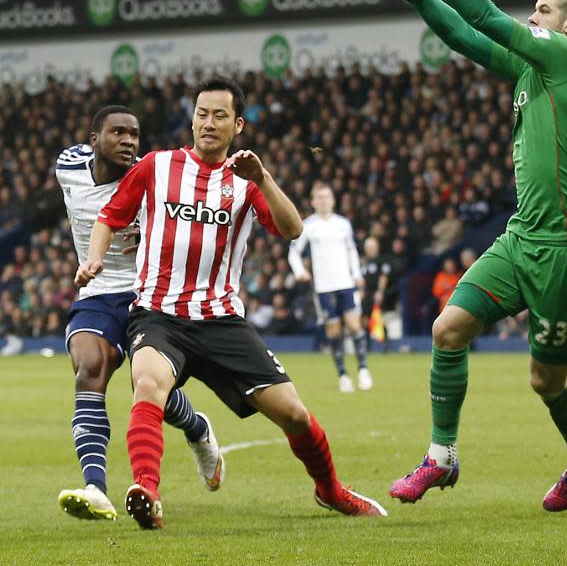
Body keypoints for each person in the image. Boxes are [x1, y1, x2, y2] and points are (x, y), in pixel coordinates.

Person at [361, 0, 567, 512]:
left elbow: (490, 22)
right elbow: (467, 39)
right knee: (448, 330)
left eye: (544, 11)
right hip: (525, 237)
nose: (534, 18)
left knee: (545, 381)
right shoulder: (534, 70)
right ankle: (441, 457)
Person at [75, 79, 386, 529]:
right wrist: (96, 258)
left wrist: (262, 178)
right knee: (147, 382)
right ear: (193, 117)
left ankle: (331, 491)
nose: (208, 123)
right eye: (202, 113)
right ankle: (147, 490)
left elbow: (293, 228)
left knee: (295, 413)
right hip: (158, 314)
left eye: (220, 115)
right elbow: (111, 215)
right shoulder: (157, 166)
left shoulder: (245, 180)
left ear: (237, 125)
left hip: (221, 321)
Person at [55, 106, 223, 522]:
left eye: (134, 134)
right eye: (118, 133)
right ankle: (95, 487)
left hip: (146, 293)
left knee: (149, 389)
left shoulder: (153, 180)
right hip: (95, 290)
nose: (129, 141)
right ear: (94, 140)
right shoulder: (68, 165)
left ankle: (197, 428)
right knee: (89, 368)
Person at [288, 182, 372, 393]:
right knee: (334, 331)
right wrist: (300, 271)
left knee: (354, 325)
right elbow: (293, 251)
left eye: (327, 197)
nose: (324, 200)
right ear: (313, 202)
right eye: (320, 197)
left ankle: (363, 369)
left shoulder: (343, 224)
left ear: (333, 200)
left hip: (346, 283)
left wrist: (357, 274)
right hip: (324, 287)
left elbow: (351, 250)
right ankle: (343, 375)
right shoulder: (307, 225)